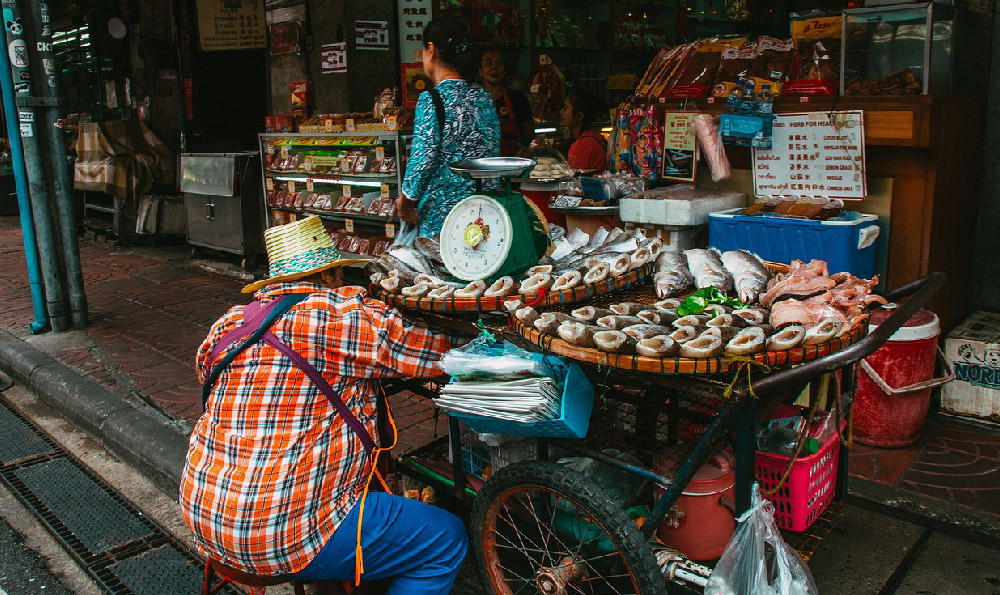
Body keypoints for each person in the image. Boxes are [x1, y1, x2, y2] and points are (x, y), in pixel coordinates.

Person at [179, 215, 468, 595]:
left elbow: (208, 379)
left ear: (274, 283)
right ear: (330, 276)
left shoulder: (228, 324)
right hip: (278, 531)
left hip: (204, 511)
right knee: (444, 539)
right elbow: (442, 352)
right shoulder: (340, 315)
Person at [397, 17, 500, 239]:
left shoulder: (432, 99)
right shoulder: (483, 97)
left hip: (443, 219)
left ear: (431, 50)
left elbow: (422, 160)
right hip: (486, 213)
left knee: (442, 271)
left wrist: (406, 203)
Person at [479, 48, 535, 156]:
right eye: (488, 64)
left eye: (499, 63)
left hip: (512, 165)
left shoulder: (517, 98)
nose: (494, 67)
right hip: (482, 166)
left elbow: (528, 135)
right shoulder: (474, 100)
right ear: (480, 71)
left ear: (505, 70)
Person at [560, 89, 608, 173]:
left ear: (579, 116)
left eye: (565, 108)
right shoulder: (593, 137)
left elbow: (573, 180)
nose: (561, 112)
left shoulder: (583, 145)